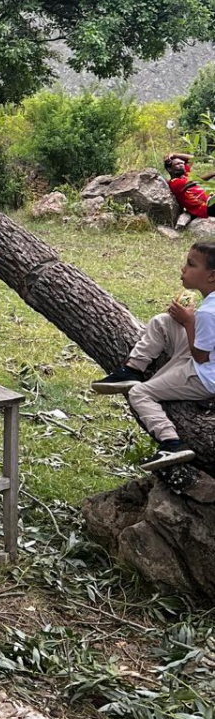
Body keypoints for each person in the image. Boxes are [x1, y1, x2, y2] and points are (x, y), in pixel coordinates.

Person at [91, 242, 215, 484]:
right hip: (203, 357)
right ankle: (132, 369)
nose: (183, 269)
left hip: (204, 376)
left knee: (139, 394)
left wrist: (189, 322)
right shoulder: (208, 306)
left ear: (211, 276)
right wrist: (186, 320)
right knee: (162, 322)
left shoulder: (208, 314)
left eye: (191, 264)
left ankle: (172, 442)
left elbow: (201, 356)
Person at [163, 152, 215, 221]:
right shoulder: (174, 183)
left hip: (211, 200)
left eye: (182, 163)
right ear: (169, 169)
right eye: (177, 164)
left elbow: (192, 158)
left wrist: (174, 155)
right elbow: (196, 181)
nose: (182, 165)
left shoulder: (185, 175)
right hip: (205, 207)